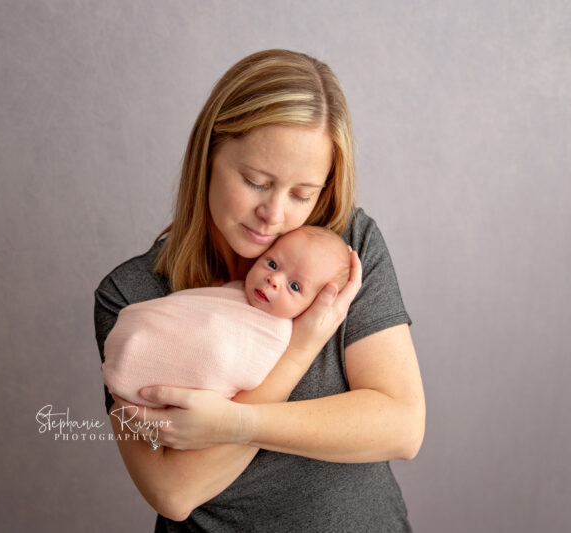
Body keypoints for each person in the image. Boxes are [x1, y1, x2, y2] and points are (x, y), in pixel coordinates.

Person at [93, 49, 426, 532]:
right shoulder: (131, 296)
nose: (274, 214)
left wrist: (231, 423)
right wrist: (303, 347)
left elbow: (401, 426)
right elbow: (173, 490)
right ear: (209, 155)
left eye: (301, 194)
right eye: (255, 181)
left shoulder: (345, 251)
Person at [102, 226, 351, 408]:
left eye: (295, 287)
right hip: (135, 336)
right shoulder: (235, 289)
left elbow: (240, 371)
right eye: (272, 264)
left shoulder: (276, 336)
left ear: (316, 305)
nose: (273, 280)